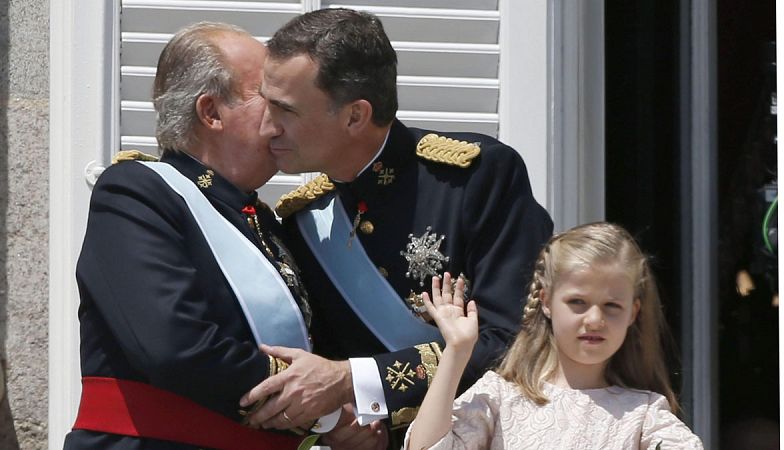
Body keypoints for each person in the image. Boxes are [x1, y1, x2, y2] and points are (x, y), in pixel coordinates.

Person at [240, 7, 553, 446]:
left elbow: (516, 340)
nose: (266, 127)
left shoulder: (475, 179)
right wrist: (355, 425)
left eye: (284, 110)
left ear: (355, 116)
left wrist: (354, 381)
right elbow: (324, 365)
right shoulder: (306, 220)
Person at [62, 22, 380, 449]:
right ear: (211, 112)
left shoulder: (265, 223)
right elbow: (175, 348)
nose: (286, 115)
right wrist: (323, 405)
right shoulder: (137, 193)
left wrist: (348, 401)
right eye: (268, 98)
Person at [405, 222, 704, 449]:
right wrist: (457, 351)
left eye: (612, 306)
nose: (595, 320)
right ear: (546, 302)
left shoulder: (644, 414)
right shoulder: (499, 397)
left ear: (633, 313)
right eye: (578, 302)